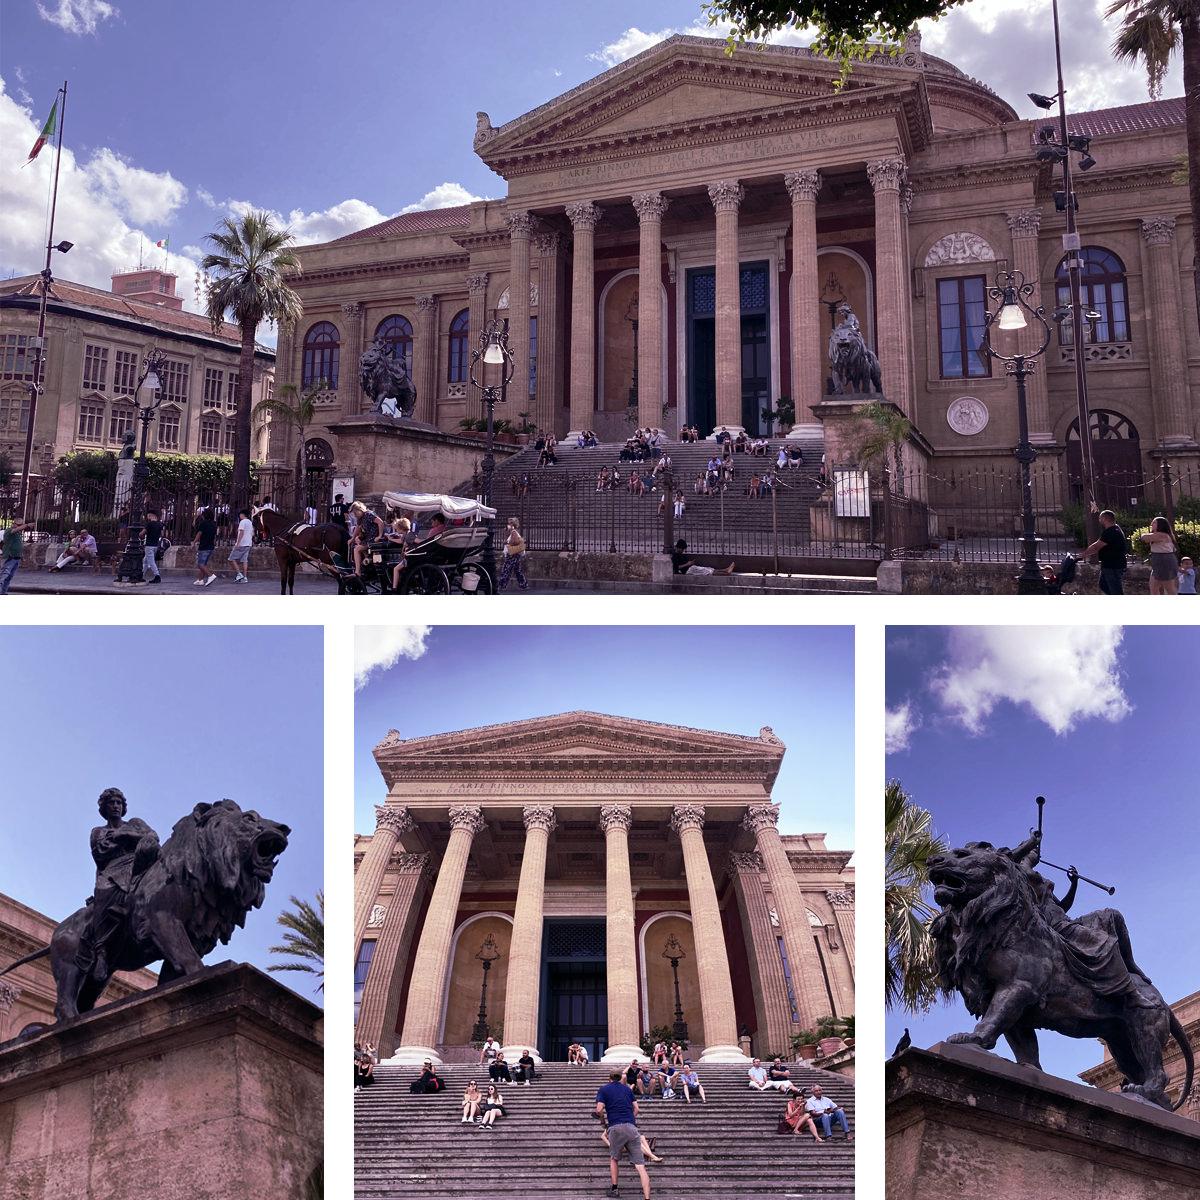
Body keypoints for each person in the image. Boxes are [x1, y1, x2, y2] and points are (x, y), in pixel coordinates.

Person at [78, 788, 160, 983]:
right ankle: (102, 950)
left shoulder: (135, 823)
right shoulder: (98, 831)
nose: (115, 806)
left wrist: (123, 836)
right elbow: (101, 853)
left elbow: (153, 838)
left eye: (119, 803)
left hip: (140, 863)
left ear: (123, 807)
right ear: (104, 808)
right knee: (106, 890)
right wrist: (130, 837)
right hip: (114, 871)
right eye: (111, 803)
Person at [595, 1070, 652, 1200]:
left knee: (614, 1159)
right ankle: (647, 1197)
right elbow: (637, 1109)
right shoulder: (627, 1090)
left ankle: (615, 1189)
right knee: (640, 1166)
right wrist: (631, 1120)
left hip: (615, 1127)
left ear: (609, 1078)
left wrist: (603, 1120)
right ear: (621, 1078)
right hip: (632, 1127)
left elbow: (598, 1110)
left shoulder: (604, 1089)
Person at [1075, 509, 1128, 595]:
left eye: (1100, 518)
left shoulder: (1111, 532)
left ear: (1104, 519)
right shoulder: (1116, 529)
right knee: (1103, 585)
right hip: (1109, 564)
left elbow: (1096, 546)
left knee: (1115, 590)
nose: (1099, 520)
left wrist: (1083, 555)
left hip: (1113, 565)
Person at [1139, 515, 1180, 595]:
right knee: (1153, 586)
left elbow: (1145, 538)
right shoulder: (1159, 534)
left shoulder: (1162, 535)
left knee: (1169, 588)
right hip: (1158, 563)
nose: (1151, 524)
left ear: (1160, 525)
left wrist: (1143, 535)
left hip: (1165, 563)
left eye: (1154, 522)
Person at [350, 502, 382, 577]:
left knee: (356, 549)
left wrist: (379, 536)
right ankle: (367, 559)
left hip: (373, 539)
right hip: (368, 539)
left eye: (355, 513)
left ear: (360, 509)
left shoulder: (369, 514)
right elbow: (357, 528)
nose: (355, 515)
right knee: (357, 542)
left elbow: (380, 522)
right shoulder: (360, 518)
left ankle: (358, 571)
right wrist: (352, 538)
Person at [498, 516, 528, 591]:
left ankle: (502, 585)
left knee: (506, 569)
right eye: (508, 523)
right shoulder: (512, 532)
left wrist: (506, 542)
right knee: (517, 570)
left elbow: (514, 542)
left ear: (513, 525)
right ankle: (523, 584)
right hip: (515, 554)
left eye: (510, 523)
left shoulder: (513, 532)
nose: (508, 525)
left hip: (512, 554)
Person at [192, 507, 218, 587]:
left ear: (204, 515)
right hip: (211, 546)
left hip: (204, 546)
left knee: (200, 564)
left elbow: (199, 533)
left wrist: (194, 542)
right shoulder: (214, 524)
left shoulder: (203, 523)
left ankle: (210, 576)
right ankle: (200, 580)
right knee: (204, 564)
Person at [228, 507, 254, 584]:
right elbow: (252, 532)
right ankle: (245, 577)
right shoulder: (250, 522)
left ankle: (239, 574)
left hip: (242, 544)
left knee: (231, 559)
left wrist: (238, 543)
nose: (239, 516)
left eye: (240, 514)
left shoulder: (242, 522)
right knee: (244, 560)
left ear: (242, 514)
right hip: (248, 543)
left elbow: (241, 532)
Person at [142, 510, 163, 584]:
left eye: (148, 516)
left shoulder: (149, 524)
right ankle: (141, 575)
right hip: (155, 545)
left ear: (151, 515)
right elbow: (161, 534)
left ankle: (157, 576)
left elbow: (142, 533)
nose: (148, 517)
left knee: (151, 562)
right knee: (145, 560)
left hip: (149, 545)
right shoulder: (160, 524)